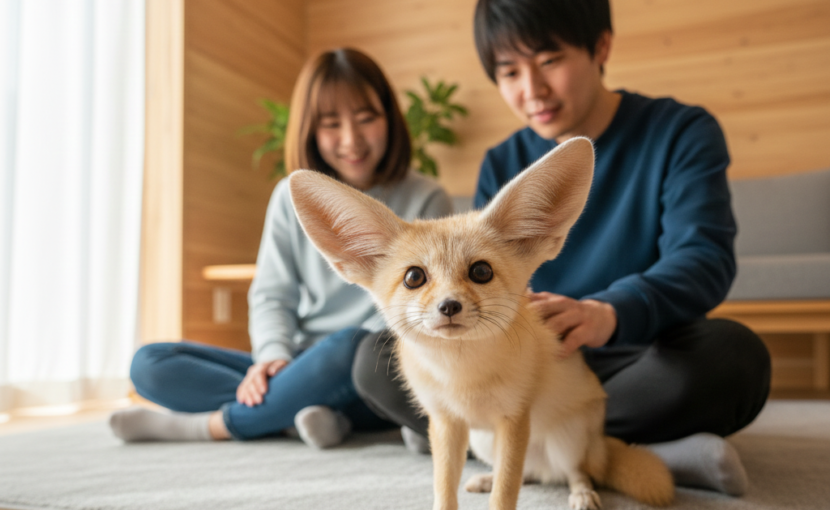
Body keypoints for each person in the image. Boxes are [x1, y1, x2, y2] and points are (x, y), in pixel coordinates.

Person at [351, 0, 771, 497]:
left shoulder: (679, 132)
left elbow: (704, 258)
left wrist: (608, 311)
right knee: (368, 363)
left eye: (549, 61)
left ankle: (584, 447)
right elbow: (487, 278)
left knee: (733, 358)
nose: (531, 91)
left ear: (601, 46)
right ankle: (660, 450)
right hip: (525, 356)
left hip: (636, 352)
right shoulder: (504, 159)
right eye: (509, 71)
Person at [109, 48, 452, 449]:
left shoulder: (427, 199)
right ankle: (307, 415)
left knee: (351, 349)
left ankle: (213, 425)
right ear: (309, 129)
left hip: (369, 360)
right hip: (301, 359)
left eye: (366, 119)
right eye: (331, 124)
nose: (351, 139)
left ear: (389, 120)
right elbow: (273, 293)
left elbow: (416, 313)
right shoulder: (290, 198)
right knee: (149, 363)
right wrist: (273, 358)